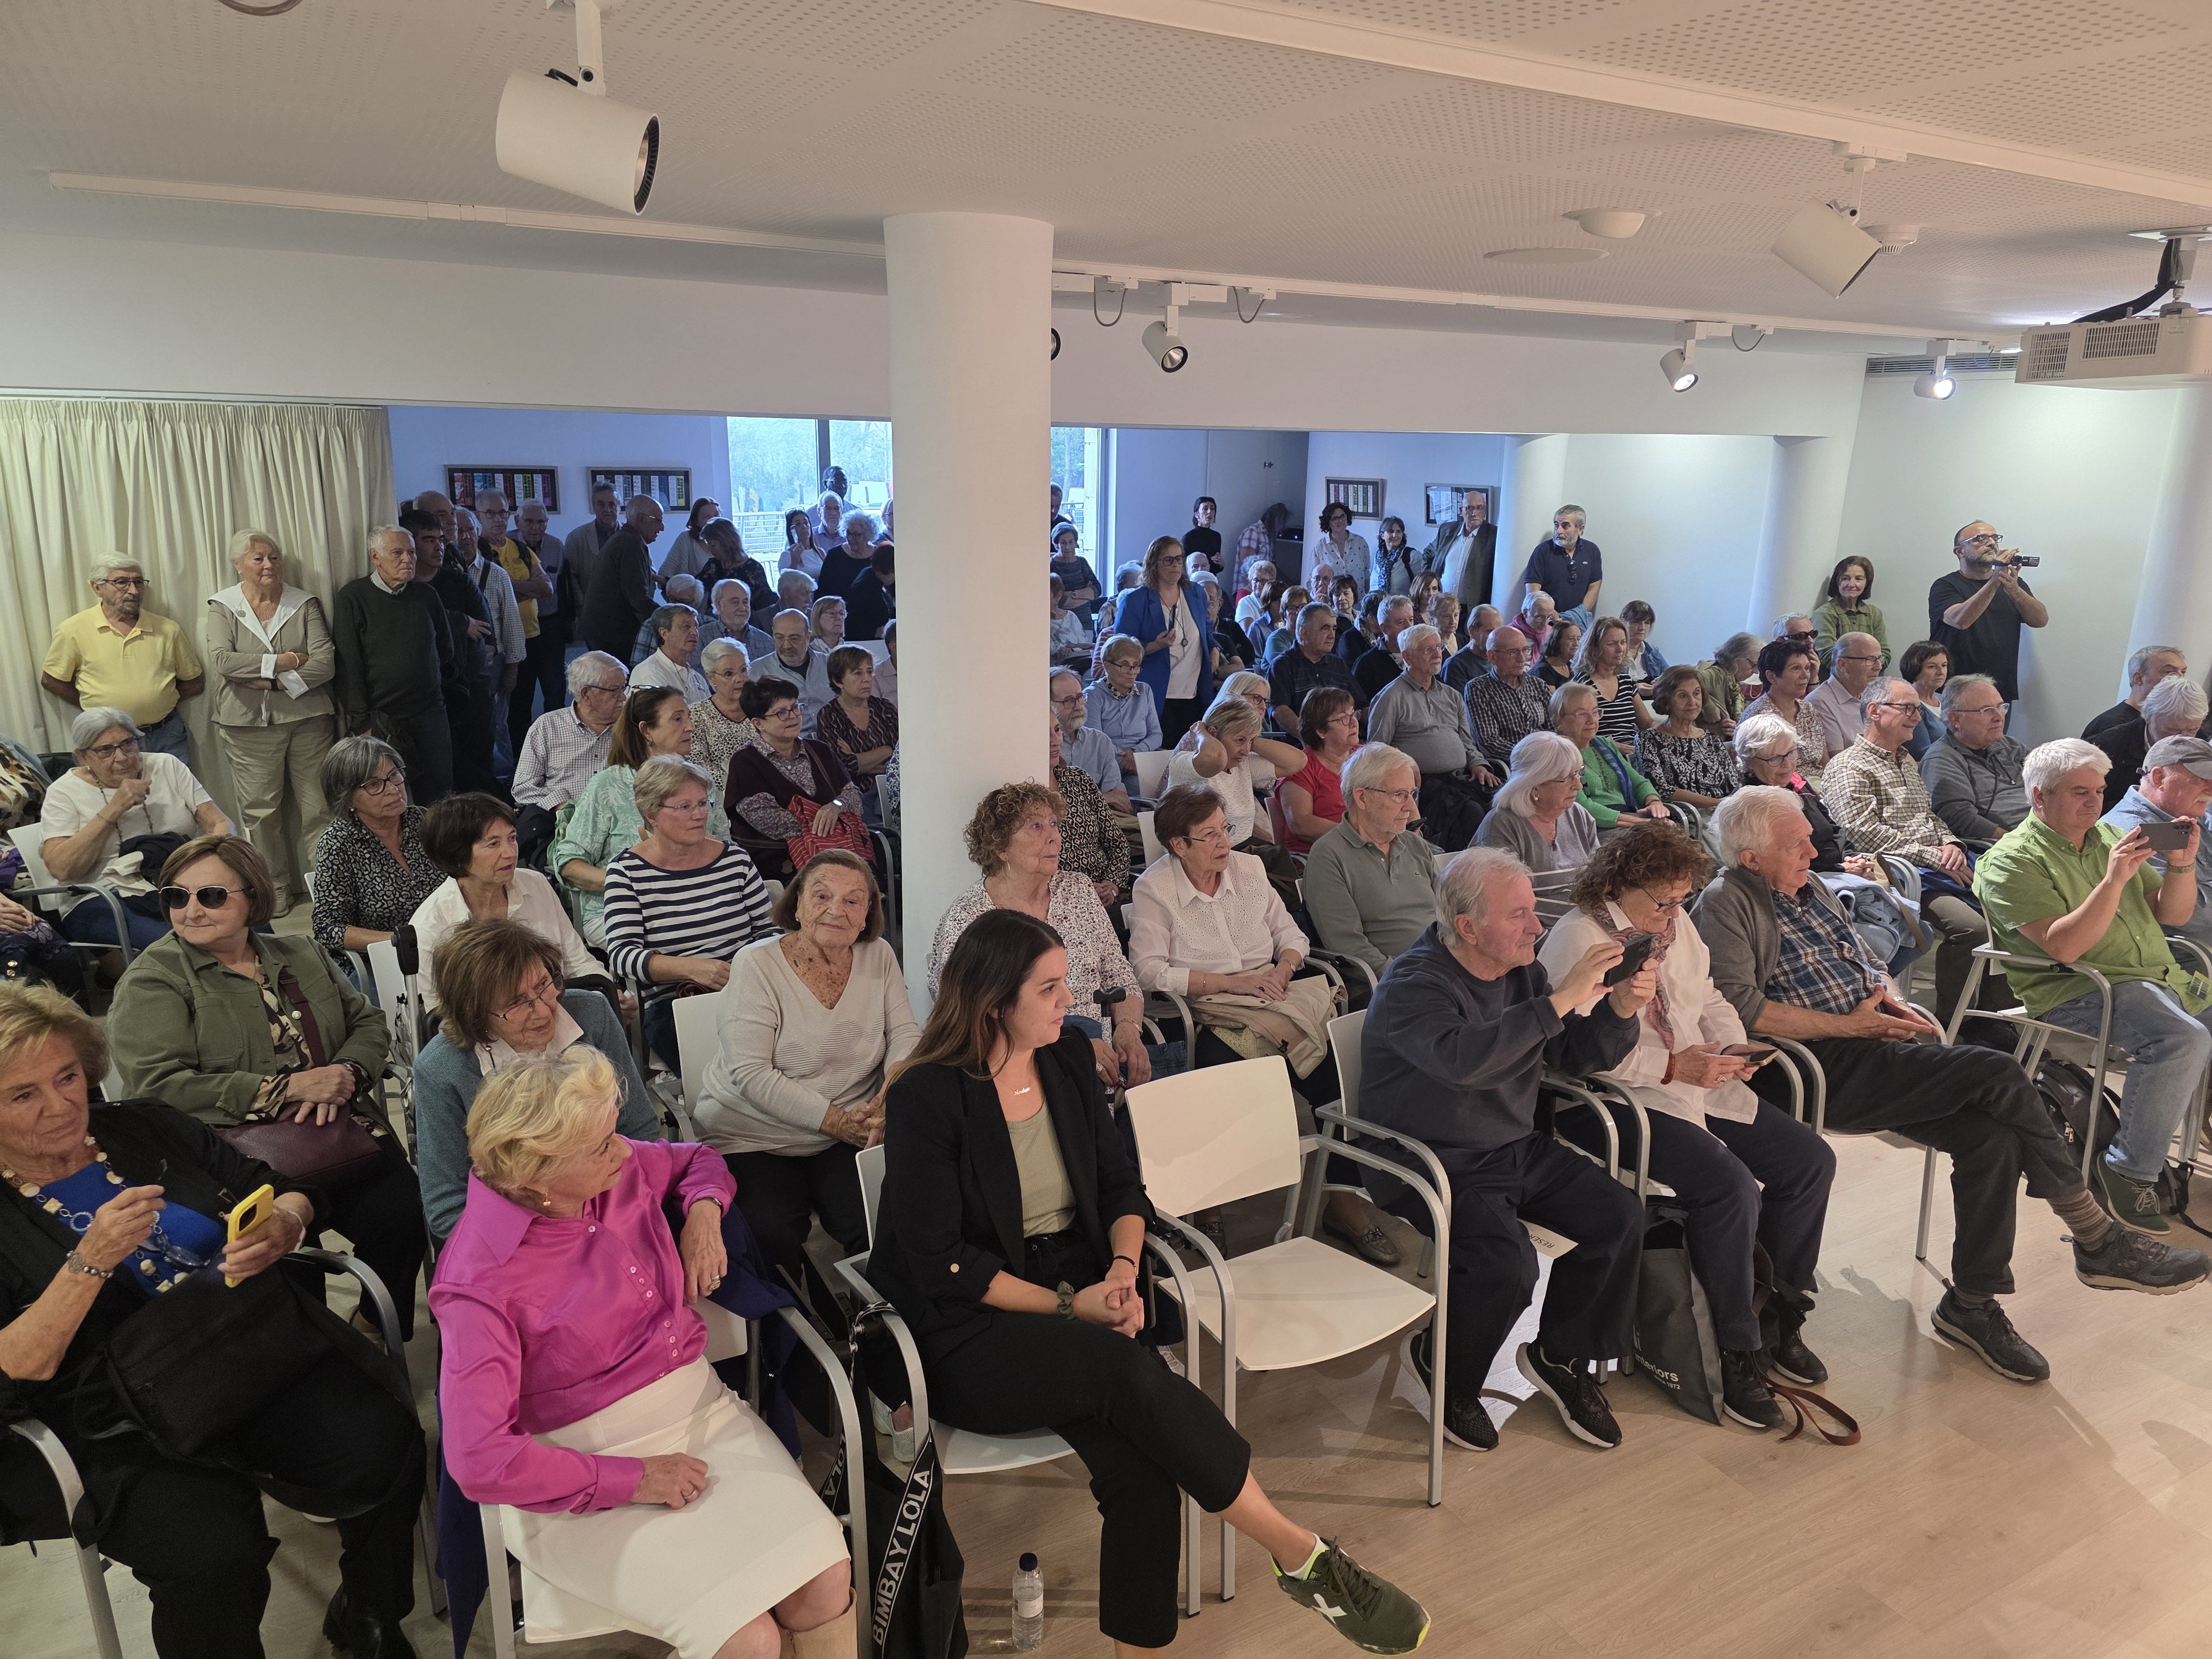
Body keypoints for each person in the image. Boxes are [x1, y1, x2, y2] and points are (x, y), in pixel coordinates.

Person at [874, 909, 1430, 1655]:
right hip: (965, 1325)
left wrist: (1124, 1271)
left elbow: (1119, 1188)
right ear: (995, 1001)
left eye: (1065, 982)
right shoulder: (928, 1096)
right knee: (1121, 1369)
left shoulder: (1068, 1057)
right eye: (1049, 988)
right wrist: (1079, 1306)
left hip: (1075, 1283)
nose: (1066, 1000)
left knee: (1143, 1476)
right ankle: (1297, 1551)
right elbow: (945, 1264)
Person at [1697, 786, 2205, 1383]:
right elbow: (1743, 1009)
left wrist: (1888, 1001)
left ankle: (1970, 1304)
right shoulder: (1725, 903)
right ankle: (2095, 1236)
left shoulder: (1809, 889)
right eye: (1795, 843)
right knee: (1996, 1068)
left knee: (1990, 1138)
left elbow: (1864, 962)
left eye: (1809, 836)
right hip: (1806, 1068)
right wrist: (1853, 1024)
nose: (1813, 848)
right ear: (1751, 857)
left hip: (1871, 1046)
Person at [0, 984, 426, 1659]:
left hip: (241, 1349)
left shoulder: (142, 1126)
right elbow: (18, 1363)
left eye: (68, 1076)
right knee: (213, 1555)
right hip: (112, 1419)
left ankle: (371, 1613)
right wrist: (89, 1262)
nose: (61, 1105)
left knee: (387, 1438)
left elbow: (280, 1183)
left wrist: (286, 1222)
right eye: (23, 1095)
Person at [434, 1051, 855, 1659]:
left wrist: (703, 1216)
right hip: (582, 1467)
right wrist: (631, 1481)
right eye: (601, 1145)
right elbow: (480, 1462)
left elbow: (699, 1159)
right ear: (534, 1176)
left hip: (701, 1415)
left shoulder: (613, 1171)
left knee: (825, 1581)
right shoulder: (480, 1280)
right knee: (748, 1639)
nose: (622, 1150)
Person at [1537, 822, 1835, 1425]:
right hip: (1609, 1099)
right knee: (1726, 1189)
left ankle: (1778, 1313)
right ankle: (1736, 1347)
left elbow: (1709, 997)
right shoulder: (1578, 939)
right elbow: (1577, 1054)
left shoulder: (1673, 923)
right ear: (1620, 886)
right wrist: (1675, 1065)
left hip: (1690, 1082)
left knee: (1808, 1163)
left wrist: (1730, 1049)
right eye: (1663, 902)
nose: (1674, 914)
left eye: (1681, 900)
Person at [1360, 846, 1650, 1450]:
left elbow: (1567, 1057)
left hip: (1510, 1144)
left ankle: (1562, 1357)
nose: (1536, 926)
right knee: (1506, 1265)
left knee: (1618, 1216)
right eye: (1518, 915)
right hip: (1431, 1159)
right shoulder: (1412, 983)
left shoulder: (1521, 971)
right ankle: (1448, 1375)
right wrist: (1560, 999)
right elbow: (1465, 1062)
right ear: (1467, 928)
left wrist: (1619, 1009)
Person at [109, 834, 427, 1336]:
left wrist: (346, 1073)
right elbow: (158, 1086)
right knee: (289, 1270)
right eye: (176, 896)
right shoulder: (154, 980)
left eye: (211, 895)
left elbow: (367, 1023)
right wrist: (289, 1089)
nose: (191, 910)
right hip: (234, 1154)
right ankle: (318, 1357)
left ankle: (369, 1327)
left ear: (252, 898)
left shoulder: (299, 953)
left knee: (407, 1211)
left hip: (337, 1133)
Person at [1977, 737, 2212, 1231]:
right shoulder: (2009, 860)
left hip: (2154, 977)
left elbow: (2172, 913)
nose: (2095, 801)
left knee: (2185, 1029)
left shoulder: (2108, 836)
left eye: (2100, 789)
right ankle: (2129, 1169)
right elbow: (2065, 949)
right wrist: (2112, 882)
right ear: (2040, 796)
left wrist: (2183, 863)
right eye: (2079, 792)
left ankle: (2179, 1147)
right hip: (2079, 991)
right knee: (2180, 1038)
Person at [697, 850, 913, 1304]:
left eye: (855, 901)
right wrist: (838, 1122)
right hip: (755, 1135)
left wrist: (888, 1099)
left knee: (880, 1216)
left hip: (848, 1132)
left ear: (869, 914)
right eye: (822, 896)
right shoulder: (757, 965)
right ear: (797, 905)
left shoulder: (879, 956)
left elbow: (905, 1034)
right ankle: (796, 1338)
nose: (838, 909)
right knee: (771, 1232)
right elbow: (751, 1074)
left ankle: (877, 1329)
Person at [413, 918, 658, 1244]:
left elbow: (640, 1131)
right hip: (515, 1240)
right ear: (475, 1013)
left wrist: (608, 1220)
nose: (543, 1011)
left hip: (615, 1208)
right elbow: (448, 1208)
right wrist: (545, 1245)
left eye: (544, 984)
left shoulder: (592, 1014)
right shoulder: (442, 1070)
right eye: (516, 1003)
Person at [931, 782, 1150, 1086]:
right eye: (1035, 827)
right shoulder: (969, 919)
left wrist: (1127, 1028)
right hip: (1018, 1073)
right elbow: (969, 1021)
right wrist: (1074, 1047)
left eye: (1054, 824)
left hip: (1101, 1065)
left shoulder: (1078, 891)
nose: (1054, 837)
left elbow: (1119, 976)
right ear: (1000, 847)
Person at [1818, 677, 1992, 1022]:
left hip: (1938, 863)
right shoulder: (1848, 765)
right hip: (1897, 874)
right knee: (1973, 928)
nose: (1917, 716)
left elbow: (1929, 818)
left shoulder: (1908, 763)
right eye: (1907, 708)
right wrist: (1934, 857)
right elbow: (1863, 833)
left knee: (2009, 914)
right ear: (1874, 711)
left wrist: (1951, 843)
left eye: (1918, 708)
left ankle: (1991, 1018)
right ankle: (1956, 1023)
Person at [606, 756, 776, 1072]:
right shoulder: (626, 872)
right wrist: (694, 970)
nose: (699, 815)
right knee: (737, 1073)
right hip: (677, 1002)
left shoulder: (734, 859)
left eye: (703, 803)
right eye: (685, 807)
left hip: (750, 988)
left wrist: (746, 971)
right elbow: (623, 956)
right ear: (651, 814)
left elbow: (770, 931)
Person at [204, 529, 335, 914]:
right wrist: (292, 658)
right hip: (247, 725)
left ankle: (326, 891)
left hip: (308, 719)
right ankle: (272, 892)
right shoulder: (223, 605)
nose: (268, 565)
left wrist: (275, 681)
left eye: (273, 557)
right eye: (258, 558)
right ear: (238, 565)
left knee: (319, 809)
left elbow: (325, 660)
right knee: (262, 813)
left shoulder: (303, 602)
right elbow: (223, 662)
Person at [34, 707, 231, 952]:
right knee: (178, 942)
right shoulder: (63, 792)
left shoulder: (166, 766)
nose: (122, 757)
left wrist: (210, 865)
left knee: (247, 924)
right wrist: (114, 808)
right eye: (105, 750)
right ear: (83, 756)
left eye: (128, 743)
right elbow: (62, 869)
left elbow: (220, 823)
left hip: (175, 882)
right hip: (102, 894)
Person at [410, 791, 600, 1011]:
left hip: (556, 1014)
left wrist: (607, 994)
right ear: (457, 856)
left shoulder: (536, 885)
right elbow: (440, 1018)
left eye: (512, 838)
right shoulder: (429, 928)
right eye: (493, 844)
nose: (510, 853)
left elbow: (578, 963)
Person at [553, 686, 696, 946]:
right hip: (623, 910)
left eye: (689, 717)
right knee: (683, 942)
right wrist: (627, 882)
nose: (691, 727)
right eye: (678, 719)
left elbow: (724, 847)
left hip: (691, 901)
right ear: (646, 731)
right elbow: (569, 865)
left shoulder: (697, 782)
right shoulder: (608, 785)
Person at [332, 525, 456, 802]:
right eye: (397, 553)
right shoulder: (353, 597)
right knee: (386, 794)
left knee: (438, 793)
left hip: (429, 712)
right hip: (381, 717)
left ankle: (437, 846)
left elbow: (446, 650)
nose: (407, 559)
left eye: (411, 553)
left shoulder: (426, 595)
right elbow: (349, 665)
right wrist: (363, 722)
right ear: (375, 557)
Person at [41, 553, 205, 761]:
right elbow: (51, 680)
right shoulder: (73, 630)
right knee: (116, 794)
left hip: (166, 735)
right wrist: (94, 707)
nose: (134, 591)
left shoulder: (167, 629)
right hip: (107, 741)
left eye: (138, 582)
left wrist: (161, 700)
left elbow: (195, 681)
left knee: (175, 793)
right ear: (97, 587)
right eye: (122, 583)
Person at [1302, 742, 1437, 979]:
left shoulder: (1415, 844)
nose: (1411, 807)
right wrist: (1412, 976)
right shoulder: (1329, 856)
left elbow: (1449, 912)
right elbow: (1348, 945)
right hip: (1399, 981)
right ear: (1362, 798)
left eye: (1412, 794)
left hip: (1445, 966)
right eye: (1399, 795)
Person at [308, 735, 444, 960]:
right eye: (373, 785)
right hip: (382, 961)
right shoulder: (338, 843)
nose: (392, 789)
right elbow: (327, 928)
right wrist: (404, 940)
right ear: (347, 798)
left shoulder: (423, 821)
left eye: (394, 775)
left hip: (447, 951)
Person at [1366, 622, 1496, 851]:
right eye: (1429, 650)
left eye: (1439, 647)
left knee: (1500, 803)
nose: (1438, 655)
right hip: (1420, 786)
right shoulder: (1391, 697)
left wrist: (1478, 764)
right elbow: (1377, 750)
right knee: (1471, 813)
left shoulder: (1452, 696)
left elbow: (1467, 741)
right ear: (1407, 656)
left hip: (1460, 779)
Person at [1165, 697, 1302, 889]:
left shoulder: (1243, 764)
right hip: (1201, 860)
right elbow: (1215, 757)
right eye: (1239, 740)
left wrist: (1249, 740)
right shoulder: (1185, 763)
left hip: (1244, 858)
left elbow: (1297, 762)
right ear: (1213, 734)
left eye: (1250, 741)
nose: (1246, 751)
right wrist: (1201, 733)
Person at [726, 677, 868, 862]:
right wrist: (822, 824)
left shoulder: (820, 750)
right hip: (781, 861)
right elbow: (767, 820)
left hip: (838, 848)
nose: (793, 716)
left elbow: (852, 795)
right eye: (781, 713)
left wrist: (835, 808)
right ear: (758, 723)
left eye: (795, 707)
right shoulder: (745, 761)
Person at [2103, 735, 2212, 951]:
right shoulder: (2134, 832)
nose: (2211, 790)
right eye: (2200, 779)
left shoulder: (2187, 813)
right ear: (2159, 777)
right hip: (2186, 957)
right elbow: (2189, 916)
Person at [1928, 521, 2047, 712]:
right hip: (1953, 688)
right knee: (1952, 741)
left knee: (1994, 741)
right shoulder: (1945, 586)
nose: (1991, 543)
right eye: (1980, 539)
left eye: (1994, 538)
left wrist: (2015, 590)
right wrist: (1995, 580)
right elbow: (1960, 621)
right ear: (1960, 551)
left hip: (1998, 690)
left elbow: (2041, 620)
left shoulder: (2012, 583)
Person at [1113, 536, 1214, 745]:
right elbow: (1118, 651)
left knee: (1191, 759)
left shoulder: (1196, 593)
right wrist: (1154, 646)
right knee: (1161, 760)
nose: (1176, 565)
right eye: (1168, 560)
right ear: (1154, 564)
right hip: (1157, 695)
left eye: (1179, 559)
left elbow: (1206, 632)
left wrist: (1214, 650)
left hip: (1194, 693)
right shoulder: (1135, 601)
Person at [515, 651, 629, 813]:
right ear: (586, 694)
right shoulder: (547, 727)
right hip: (560, 825)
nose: (623, 697)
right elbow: (523, 789)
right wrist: (564, 807)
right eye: (614, 690)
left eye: (623, 688)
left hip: (622, 823)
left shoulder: (634, 727)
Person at [1922, 674, 2028, 846]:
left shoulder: (2010, 745)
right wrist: (2014, 841)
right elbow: (1961, 818)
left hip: (2051, 829)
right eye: (1987, 711)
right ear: (1955, 719)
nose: (1999, 717)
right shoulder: (1942, 759)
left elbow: (2049, 779)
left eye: (2001, 707)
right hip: (2013, 844)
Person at [1475, 731, 1602, 873]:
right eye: (1566, 778)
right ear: (1534, 786)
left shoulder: (1579, 815)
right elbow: (1499, 890)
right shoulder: (1502, 824)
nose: (1578, 786)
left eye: (1578, 773)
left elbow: (1598, 877)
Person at [1554, 682, 1668, 833]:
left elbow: (1638, 781)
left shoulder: (1605, 744)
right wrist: (1642, 823)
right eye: (1582, 714)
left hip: (1628, 818)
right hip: (1594, 827)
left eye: (1595, 712)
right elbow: (1581, 806)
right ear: (1559, 721)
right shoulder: (1558, 754)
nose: (1592, 720)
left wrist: (1654, 802)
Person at [2094, 673, 2207, 811]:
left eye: (2192, 730)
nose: (2181, 738)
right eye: (2171, 729)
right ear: (2148, 716)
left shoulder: (2202, 744)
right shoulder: (2109, 747)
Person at [508, 496, 570, 750]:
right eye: (530, 521)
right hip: (519, 630)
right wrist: (536, 588)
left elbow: (560, 589)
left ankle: (554, 748)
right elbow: (505, 592)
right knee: (520, 696)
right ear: (517, 521)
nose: (535, 527)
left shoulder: (557, 545)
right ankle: (521, 753)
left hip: (552, 626)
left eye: (541, 522)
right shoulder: (506, 545)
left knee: (555, 691)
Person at [1633, 665, 1739, 810]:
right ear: (1666, 701)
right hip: (1685, 818)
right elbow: (1660, 789)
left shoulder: (1711, 739)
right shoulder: (1649, 739)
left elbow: (1732, 784)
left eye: (1696, 694)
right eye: (1683, 696)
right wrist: (1717, 804)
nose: (1692, 702)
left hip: (1724, 813)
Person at [580, 494, 665, 660]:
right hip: (614, 633)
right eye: (658, 520)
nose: (662, 528)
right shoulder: (631, 544)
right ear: (641, 519)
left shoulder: (624, 539)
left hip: (602, 630)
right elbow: (638, 598)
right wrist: (671, 617)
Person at [1276, 688, 1360, 856]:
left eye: (1353, 714)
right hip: (1320, 855)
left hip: (1365, 849)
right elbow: (1300, 824)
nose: (1354, 723)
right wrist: (1357, 836)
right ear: (1321, 731)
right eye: (1344, 718)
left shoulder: (1365, 756)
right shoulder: (1300, 767)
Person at [1459, 624, 1552, 771]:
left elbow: (1553, 725)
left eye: (1525, 650)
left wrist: (1550, 752)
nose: (1522, 658)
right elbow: (1490, 741)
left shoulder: (1537, 684)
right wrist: (1530, 756)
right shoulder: (1478, 688)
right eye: (1513, 653)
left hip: (1547, 756)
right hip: (1516, 764)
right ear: (1493, 657)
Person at [1741, 637, 1825, 787]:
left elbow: (1824, 761)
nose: (1805, 675)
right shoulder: (1759, 717)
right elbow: (1753, 774)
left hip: (1819, 788)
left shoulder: (1808, 709)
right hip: (1783, 791)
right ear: (1772, 677)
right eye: (1796, 668)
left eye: (1807, 668)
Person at [1086, 634, 1162, 795]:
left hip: (1141, 761)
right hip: (1108, 764)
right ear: (1107, 666)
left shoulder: (1145, 690)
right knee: (1139, 790)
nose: (1132, 672)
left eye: (1136, 666)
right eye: (1125, 665)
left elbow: (1156, 734)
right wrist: (1124, 760)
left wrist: (1136, 753)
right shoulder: (1093, 695)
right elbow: (1096, 740)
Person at [1049, 668, 1133, 815]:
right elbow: (1052, 803)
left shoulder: (1100, 741)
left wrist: (1101, 799)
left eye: (1080, 697)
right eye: (1069, 700)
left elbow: (1118, 798)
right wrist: (1103, 798)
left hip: (1103, 824)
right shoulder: (1048, 746)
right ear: (1049, 704)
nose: (1078, 706)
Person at [815, 646, 898, 795]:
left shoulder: (885, 708)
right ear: (838, 680)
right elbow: (841, 768)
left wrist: (857, 758)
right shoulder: (829, 715)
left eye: (869, 672)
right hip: (855, 794)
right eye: (858, 673)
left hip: (894, 789)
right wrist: (886, 750)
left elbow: (901, 757)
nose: (867, 679)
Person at [1572, 617, 1657, 746]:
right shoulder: (1581, 685)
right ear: (1595, 648)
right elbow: (1577, 733)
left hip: (1633, 750)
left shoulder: (1626, 682)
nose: (1620, 649)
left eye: (1623, 642)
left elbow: (1646, 723)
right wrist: (1615, 747)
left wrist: (1670, 729)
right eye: (1612, 644)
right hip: (1601, 753)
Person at [1801, 632, 1884, 762]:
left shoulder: (1876, 695)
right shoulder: (1819, 702)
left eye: (1880, 659)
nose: (1879, 666)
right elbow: (1839, 761)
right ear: (1843, 665)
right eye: (1870, 660)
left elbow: (1895, 746)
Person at [2084, 643, 2189, 741]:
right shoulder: (2110, 726)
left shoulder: (2173, 723)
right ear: (2139, 679)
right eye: (2169, 672)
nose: (2180, 679)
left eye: (2183, 672)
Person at [1521, 505, 1602, 628]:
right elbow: (1533, 592)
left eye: (1565, 526)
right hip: (1547, 623)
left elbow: (1594, 588)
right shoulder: (1543, 551)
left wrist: (1576, 616)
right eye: (1556, 525)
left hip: (1578, 624)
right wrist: (1556, 617)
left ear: (1580, 529)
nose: (1559, 531)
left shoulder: (1592, 551)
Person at [1811, 555, 1888, 675]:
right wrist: (1868, 664)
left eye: (1859, 579)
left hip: (1869, 685)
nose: (1851, 584)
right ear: (1837, 581)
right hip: (1834, 684)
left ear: (1867, 583)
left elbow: (1885, 655)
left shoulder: (1875, 614)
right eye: (1846, 578)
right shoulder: (1824, 614)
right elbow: (1828, 656)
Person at [765, 607, 836, 738]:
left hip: (837, 741)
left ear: (808, 637)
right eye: (780, 638)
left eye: (794, 639)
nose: (786, 646)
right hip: (791, 745)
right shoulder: (759, 671)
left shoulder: (831, 664)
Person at [561, 479, 623, 611]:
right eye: (601, 505)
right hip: (591, 611)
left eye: (612, 505)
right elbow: (571, 578)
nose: (607, 510)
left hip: (627, 613)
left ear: (620, 507)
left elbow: (648, 572)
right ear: (593, 506)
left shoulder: (634, 537)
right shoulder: (577, 537)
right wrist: (584, 607)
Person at [630, 603, 711, 701]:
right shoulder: (648, 672)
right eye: (686, 627)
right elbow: (659, 715)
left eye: (696, 627)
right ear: (664, 633)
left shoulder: (698, 679)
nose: (695, 632)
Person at [1432, 493, 1495, 615]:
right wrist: (1431, 584)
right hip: (1441, 605)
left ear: (1485, 510)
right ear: (1461, 511)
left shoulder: (1493, 536)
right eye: (1470, 508)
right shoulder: (1447, 530)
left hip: (1470, 610)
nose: (1474, 513)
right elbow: (1428, 555)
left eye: (1480, 508)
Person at [1694, 632, 1760, 739]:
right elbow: (1682, 679)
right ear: (1736, 657)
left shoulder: (1734, 683)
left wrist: (1734, 729)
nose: (1756, 672)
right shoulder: (1716, 674)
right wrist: (1708, 705)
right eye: (1754, 665)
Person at [702, 571, 775, 664]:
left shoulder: (766, 642)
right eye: (735, 602)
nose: (742, 608)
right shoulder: (701, 639)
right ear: (719, 604)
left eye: (745, 602)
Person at [1899, 638, 1951, 760]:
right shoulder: (1908, 705)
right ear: (1914, 668)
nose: (1941, 672)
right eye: (1932, 666)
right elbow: (1924, 752)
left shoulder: (1947, 699)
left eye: (1944, 665)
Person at [1309, 503, 1369, 598]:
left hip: (1357, 602)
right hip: (1332, 602)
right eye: (1335, 518)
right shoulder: (1320, 547)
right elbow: (1313, 579)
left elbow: (1366, 574)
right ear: (1328, 522)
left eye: (1342, 516)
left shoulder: (1360, 543)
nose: (1340, 521)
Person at [1050, 523, 1103, 624]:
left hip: (1085, 621)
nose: (1068, 547)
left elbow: (1097, 590)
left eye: (1071, 542)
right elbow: (1060, 601)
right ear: (1056, 545)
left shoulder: (1081, 562)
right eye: (1063, 543)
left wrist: (1073, 594)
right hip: (1062, 623)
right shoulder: (1052, 566)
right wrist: (1086, 597)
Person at [843, 542, 896, 643]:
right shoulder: (864, 586)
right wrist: (874, 632)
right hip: (869, 641)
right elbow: (853, 621)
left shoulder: (886, 583)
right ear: (881, 571)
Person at [660, 495, 721, 582]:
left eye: (716, 515)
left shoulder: (730, 540)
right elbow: (665, 573)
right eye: (707, 517)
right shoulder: (686, 539)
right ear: (696, 521)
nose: (714, 520)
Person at [1536, 618, 1582, 692]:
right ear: (1557, 641)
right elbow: (1553, 703)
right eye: (1571, 639)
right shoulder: (1543, 671)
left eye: (1579, 639)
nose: (1576, 643)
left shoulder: (1570, 665)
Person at [782, 507, 828, 580]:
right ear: (791, 531)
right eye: (798, 524)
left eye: (806, 523)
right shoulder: (787, 555)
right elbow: (785, 585)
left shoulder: (821, 552)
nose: (804, 527)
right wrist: (794, 562)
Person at [1182, 494, 1223, 571]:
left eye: (1212, 509)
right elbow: (1184, 567)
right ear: (1197, 515)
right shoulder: (1188, 538)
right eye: (1205, 509)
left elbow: (1216, 566)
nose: (1210, 512)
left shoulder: (1216, 536)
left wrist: (1221, 565)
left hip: (1211, 579)